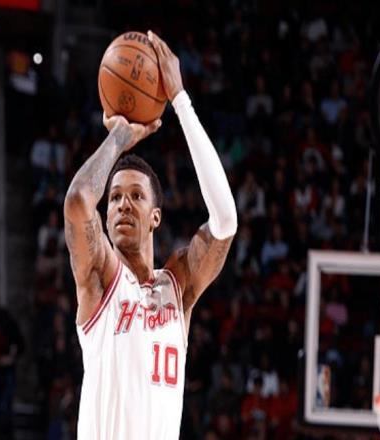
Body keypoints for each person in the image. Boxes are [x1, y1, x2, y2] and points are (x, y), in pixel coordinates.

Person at [64, 31, 238, 439]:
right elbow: (78, 201)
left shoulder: (177, 285)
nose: (123, 204)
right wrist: (119, 138)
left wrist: (180, 100)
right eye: (115, 198)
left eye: (136, 196)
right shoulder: (100, 278)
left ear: (155, 216)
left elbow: (225, 221)